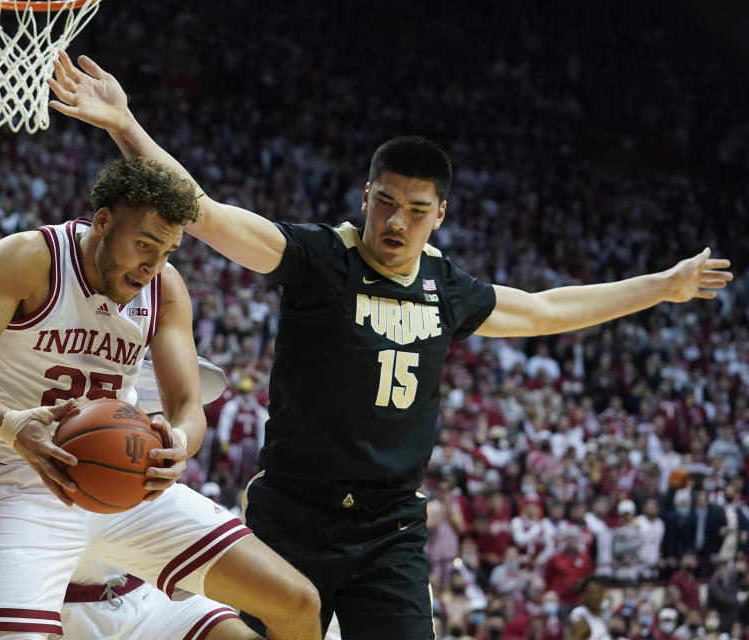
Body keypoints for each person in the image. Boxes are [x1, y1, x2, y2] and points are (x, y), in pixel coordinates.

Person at [46, 51, 734, 639]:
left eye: (414, 208)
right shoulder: (319, 258)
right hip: (293, 511)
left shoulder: (448, 288)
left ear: (440, 215)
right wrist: (124, 124)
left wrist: (662, 286)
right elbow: (201, 212)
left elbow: (549, 308)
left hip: (390, 530)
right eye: (384, 201)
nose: (395, 220)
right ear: (366, 195)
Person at [0, 156, 319, 640]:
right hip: (28, 485)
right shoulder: (29, 259)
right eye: (145, 244)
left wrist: (180, 442)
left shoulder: (165, 288)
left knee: (297, 602)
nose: (153, 265)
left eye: (168, 251)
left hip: (130, 482)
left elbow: (188, 405)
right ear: (102, 221)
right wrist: (11, 425)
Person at [0, 364, 250, 640]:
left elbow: (210, 382)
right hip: (62, 616)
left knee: (276, 610)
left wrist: (147, 359)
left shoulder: (118, 360)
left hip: (142, 593)